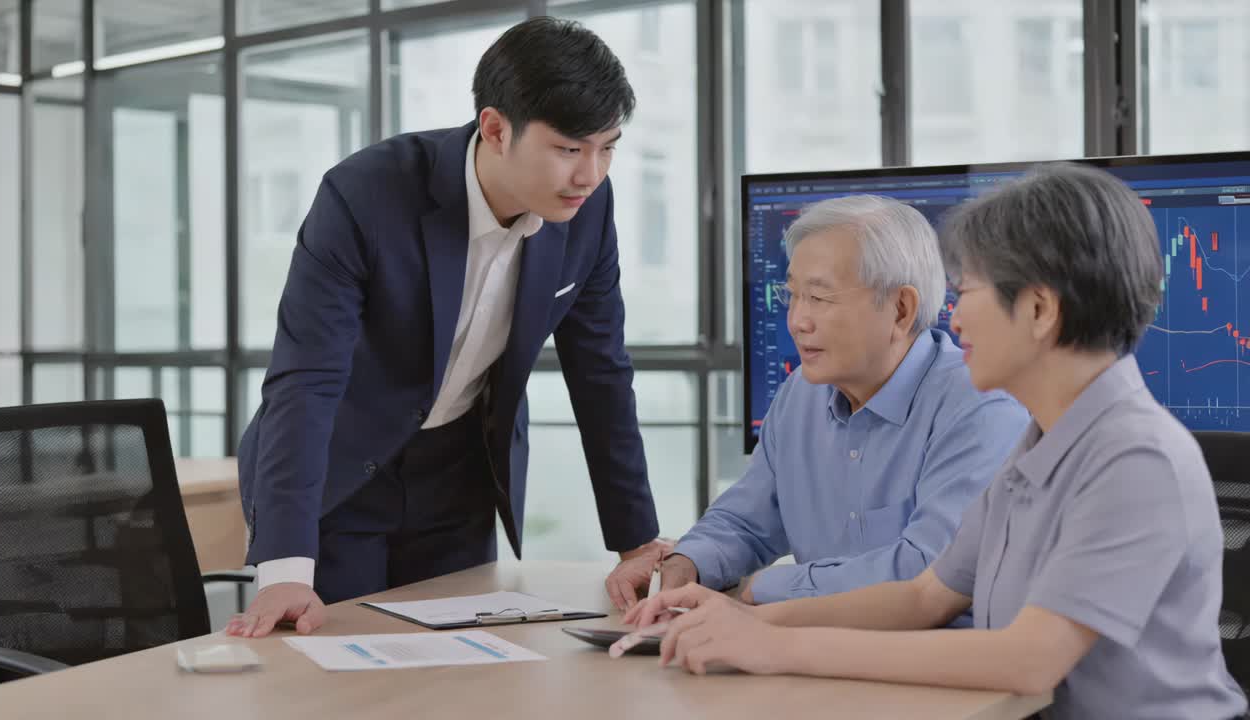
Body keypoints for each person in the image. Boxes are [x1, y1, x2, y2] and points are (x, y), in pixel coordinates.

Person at [626, 164, 1248, 720]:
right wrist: (743, 619)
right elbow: (924, 596)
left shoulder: (1134, 458)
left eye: (969, 291)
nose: (954, 316)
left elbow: (1028, 660)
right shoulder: (1042, 443)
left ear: (1038, 310)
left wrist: (777, 644)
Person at [227, 17, 669, 639]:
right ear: (496, 128)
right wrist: (285, 569)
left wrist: (636, 541)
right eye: (569, 150)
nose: (590, 174)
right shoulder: (365, 194)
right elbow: (306, 381)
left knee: (462, 664)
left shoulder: (588, 211)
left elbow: (601, 373)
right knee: (335, 664)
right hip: (338, 471)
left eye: (608, 147)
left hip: (458, 479)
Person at [605, 195, 1028, 611]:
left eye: (820, 298)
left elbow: (928, 571)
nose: (797, 321)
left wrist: (766, 587)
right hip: (812, 646)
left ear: (901, 309)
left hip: (937, 652)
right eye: (793, 295)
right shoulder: (801, 395)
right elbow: (744, 521)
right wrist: (684, 565)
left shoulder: (981, 406)